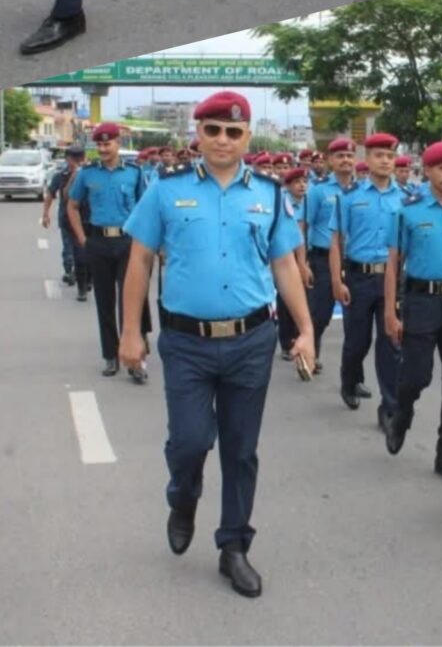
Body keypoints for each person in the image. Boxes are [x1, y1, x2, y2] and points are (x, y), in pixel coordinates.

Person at [118, 91, 314, 599]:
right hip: (186, 342)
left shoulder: (269, 194)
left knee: (241, 449)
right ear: (198, 134)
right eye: (213, 130)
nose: (223, 139)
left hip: (252, 339)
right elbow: (138, 262)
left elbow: (285, 265)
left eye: (233, 131)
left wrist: (306, 329)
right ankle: (183, 497)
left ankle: (234, 547)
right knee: (190, 442)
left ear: (246, 137)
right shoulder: (166, 191)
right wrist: (130, 332)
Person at [383, 140, 442, 479]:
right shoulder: (408, 209)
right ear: (429, 170)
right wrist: (391, 313)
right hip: (421, 301)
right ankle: (401, 414)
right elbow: (393, 263)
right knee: (417, 375)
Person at [65, 123, 151, 380]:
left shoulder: (134, 173)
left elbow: (145, 210)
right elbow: (72, 205)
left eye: (107, 143)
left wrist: (145, 242)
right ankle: (111, 356)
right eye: (99, 144)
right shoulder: (87, 174)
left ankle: (135, 361)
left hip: (127, 243)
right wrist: (82, 239)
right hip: (99, 243)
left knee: (131, 301)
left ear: (118, 143)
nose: (103, 149)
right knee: (104, 301)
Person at [330, 132, 404, 424]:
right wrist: (337, 280)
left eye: (389, 155)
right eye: (379, 155)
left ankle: (389, 407)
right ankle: (349, 382)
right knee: (356, 342)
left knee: (391, 344)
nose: (385, 161)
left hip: (391, 280)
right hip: (359, 278)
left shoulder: (406, 198)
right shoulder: (350, 197)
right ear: (367, 159)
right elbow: (336, 240)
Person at [302, 136, 358, 375]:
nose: (345, 160)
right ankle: (309, 354)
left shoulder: (361, 190)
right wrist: (303, 262)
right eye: (340, 156)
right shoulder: (318, 190)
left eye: (349, 156)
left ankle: (352, 375)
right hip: (322, 259)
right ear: (330, 160)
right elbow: (304, 225)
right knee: (320, 313)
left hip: (353, 261)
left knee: (356, 319)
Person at [42, 144, 88, 295]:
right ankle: (70, 271)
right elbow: (51, 194)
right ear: (67, 159)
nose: (75, 161)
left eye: (79, 158)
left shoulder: (91, 174)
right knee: (69, 248)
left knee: (85, 250)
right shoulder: (60, 175)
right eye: (72, 158)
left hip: (88, 219)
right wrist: (45, 214)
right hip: (67, 219)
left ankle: (84, 276)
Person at [277, 167, 310, 361]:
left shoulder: (308, 202)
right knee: (285, 301)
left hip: (305, 255)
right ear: (288, 186)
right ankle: (286, 341)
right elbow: (294, 237)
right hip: (285, 256)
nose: (302, 185)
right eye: (297, 182)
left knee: (303, 299)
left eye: (304, 182)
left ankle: (300, 339)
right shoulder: (283, 202)